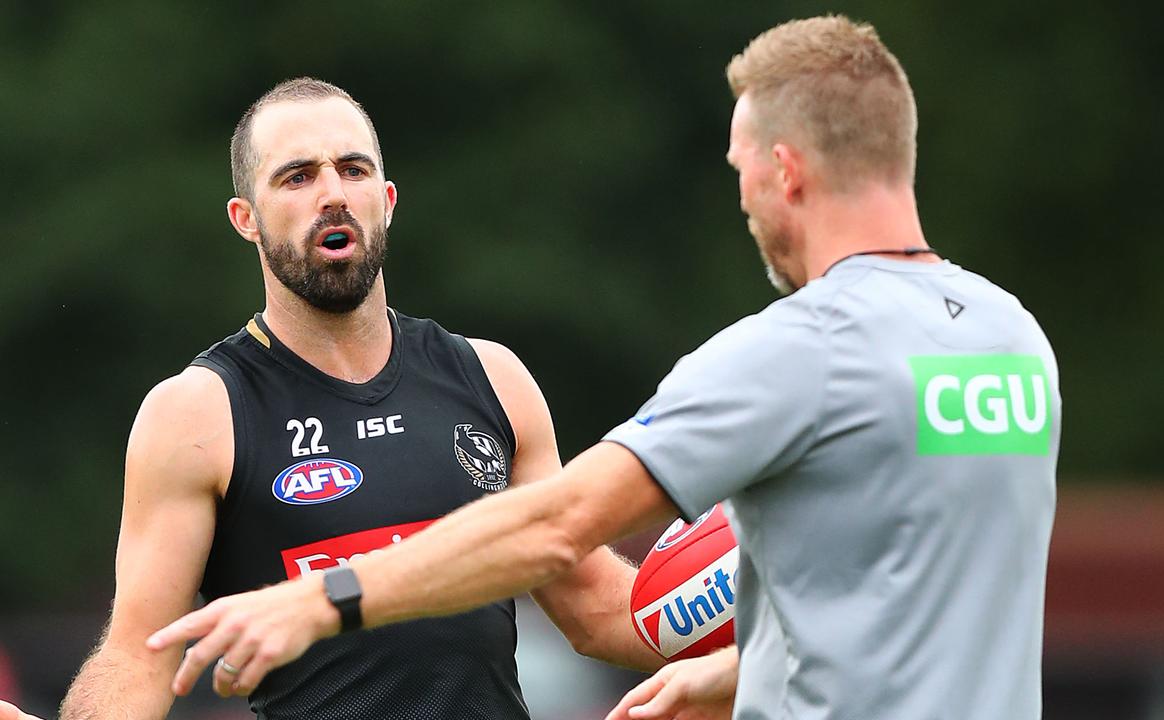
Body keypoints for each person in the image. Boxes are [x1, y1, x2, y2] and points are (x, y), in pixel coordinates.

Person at [150, 16, 1062, 720]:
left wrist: (326, 600)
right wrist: (745, 674)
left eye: (742, 169)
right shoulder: (1013, 342)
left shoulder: (795, 350)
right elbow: (922, 605)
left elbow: (558, 527)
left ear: (785, 171)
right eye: (297, 176)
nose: (743, 201)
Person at [33, 77, 660, 720]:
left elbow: (596, 608)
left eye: (352, 169)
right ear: (245, 218)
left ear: (386, 200)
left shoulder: (492, 378)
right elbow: (140, 655)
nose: (333, 195)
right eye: (297, 177)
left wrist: (749, 636)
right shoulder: (198, 414)